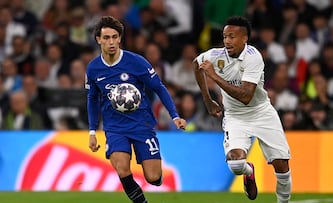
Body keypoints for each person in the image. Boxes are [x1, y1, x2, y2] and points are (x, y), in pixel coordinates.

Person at [85, 16, 186, 203]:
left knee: (153, 177)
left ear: (120, 38)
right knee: (122, 168)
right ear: (98, 40)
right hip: (115, 127)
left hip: (142, 124)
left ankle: (155, 174)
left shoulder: (136, 62)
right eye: (106, 38)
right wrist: (92, 131)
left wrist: (175, 116)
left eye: (115, 37)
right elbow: (92, 99)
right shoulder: (93, 69)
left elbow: (159, 88)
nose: (111, 42)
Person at [193, 16, 291, 202]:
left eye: (232, 36)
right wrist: (208, 100)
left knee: (281, 165)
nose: (227, 41)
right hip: (235, 117)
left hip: (262, 113)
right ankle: (249, 171)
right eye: (225, 36)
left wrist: (214, 76)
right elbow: (196, 65)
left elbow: (246, 97)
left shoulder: (254, 58)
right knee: (236, 163)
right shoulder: (215, 55)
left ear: (244, 38)